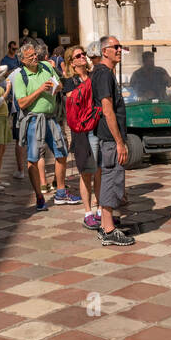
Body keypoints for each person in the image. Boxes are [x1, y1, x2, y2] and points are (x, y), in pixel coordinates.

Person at [12, 42, 76, 211]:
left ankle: (60, 192)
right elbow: (22, 103)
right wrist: (40, 90)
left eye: (35, 54)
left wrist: (54, 87)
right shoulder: (20, 76)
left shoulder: (46, 67)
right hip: (34, 120)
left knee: (61, 152)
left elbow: (60, 85)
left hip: (51, 117)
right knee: (33, 159)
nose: (35, 57)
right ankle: (39, 197)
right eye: (30, 56)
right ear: (23, 60)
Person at [90, 38, 134, 246]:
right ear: (104, 51)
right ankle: (108, 230)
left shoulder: (104, 73)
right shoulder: (104, 74)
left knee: (110, 178)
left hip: (109, 138)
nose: (119, 50)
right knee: (111, 179)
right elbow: (107, 110)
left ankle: (105, 226)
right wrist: (119, 142)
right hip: (110, 138)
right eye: (115, 47)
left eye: (120, 46)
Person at [62, 45, 102, 228]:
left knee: (99, 170)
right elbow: (73, 101)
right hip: (82, 131)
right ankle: (87, 212)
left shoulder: (94, 76)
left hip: (98, 126)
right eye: (78, 56)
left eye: (83, 54)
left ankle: (100, 208)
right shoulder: (70, 81)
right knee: (86, 172)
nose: (83, 57)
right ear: (72, 62)